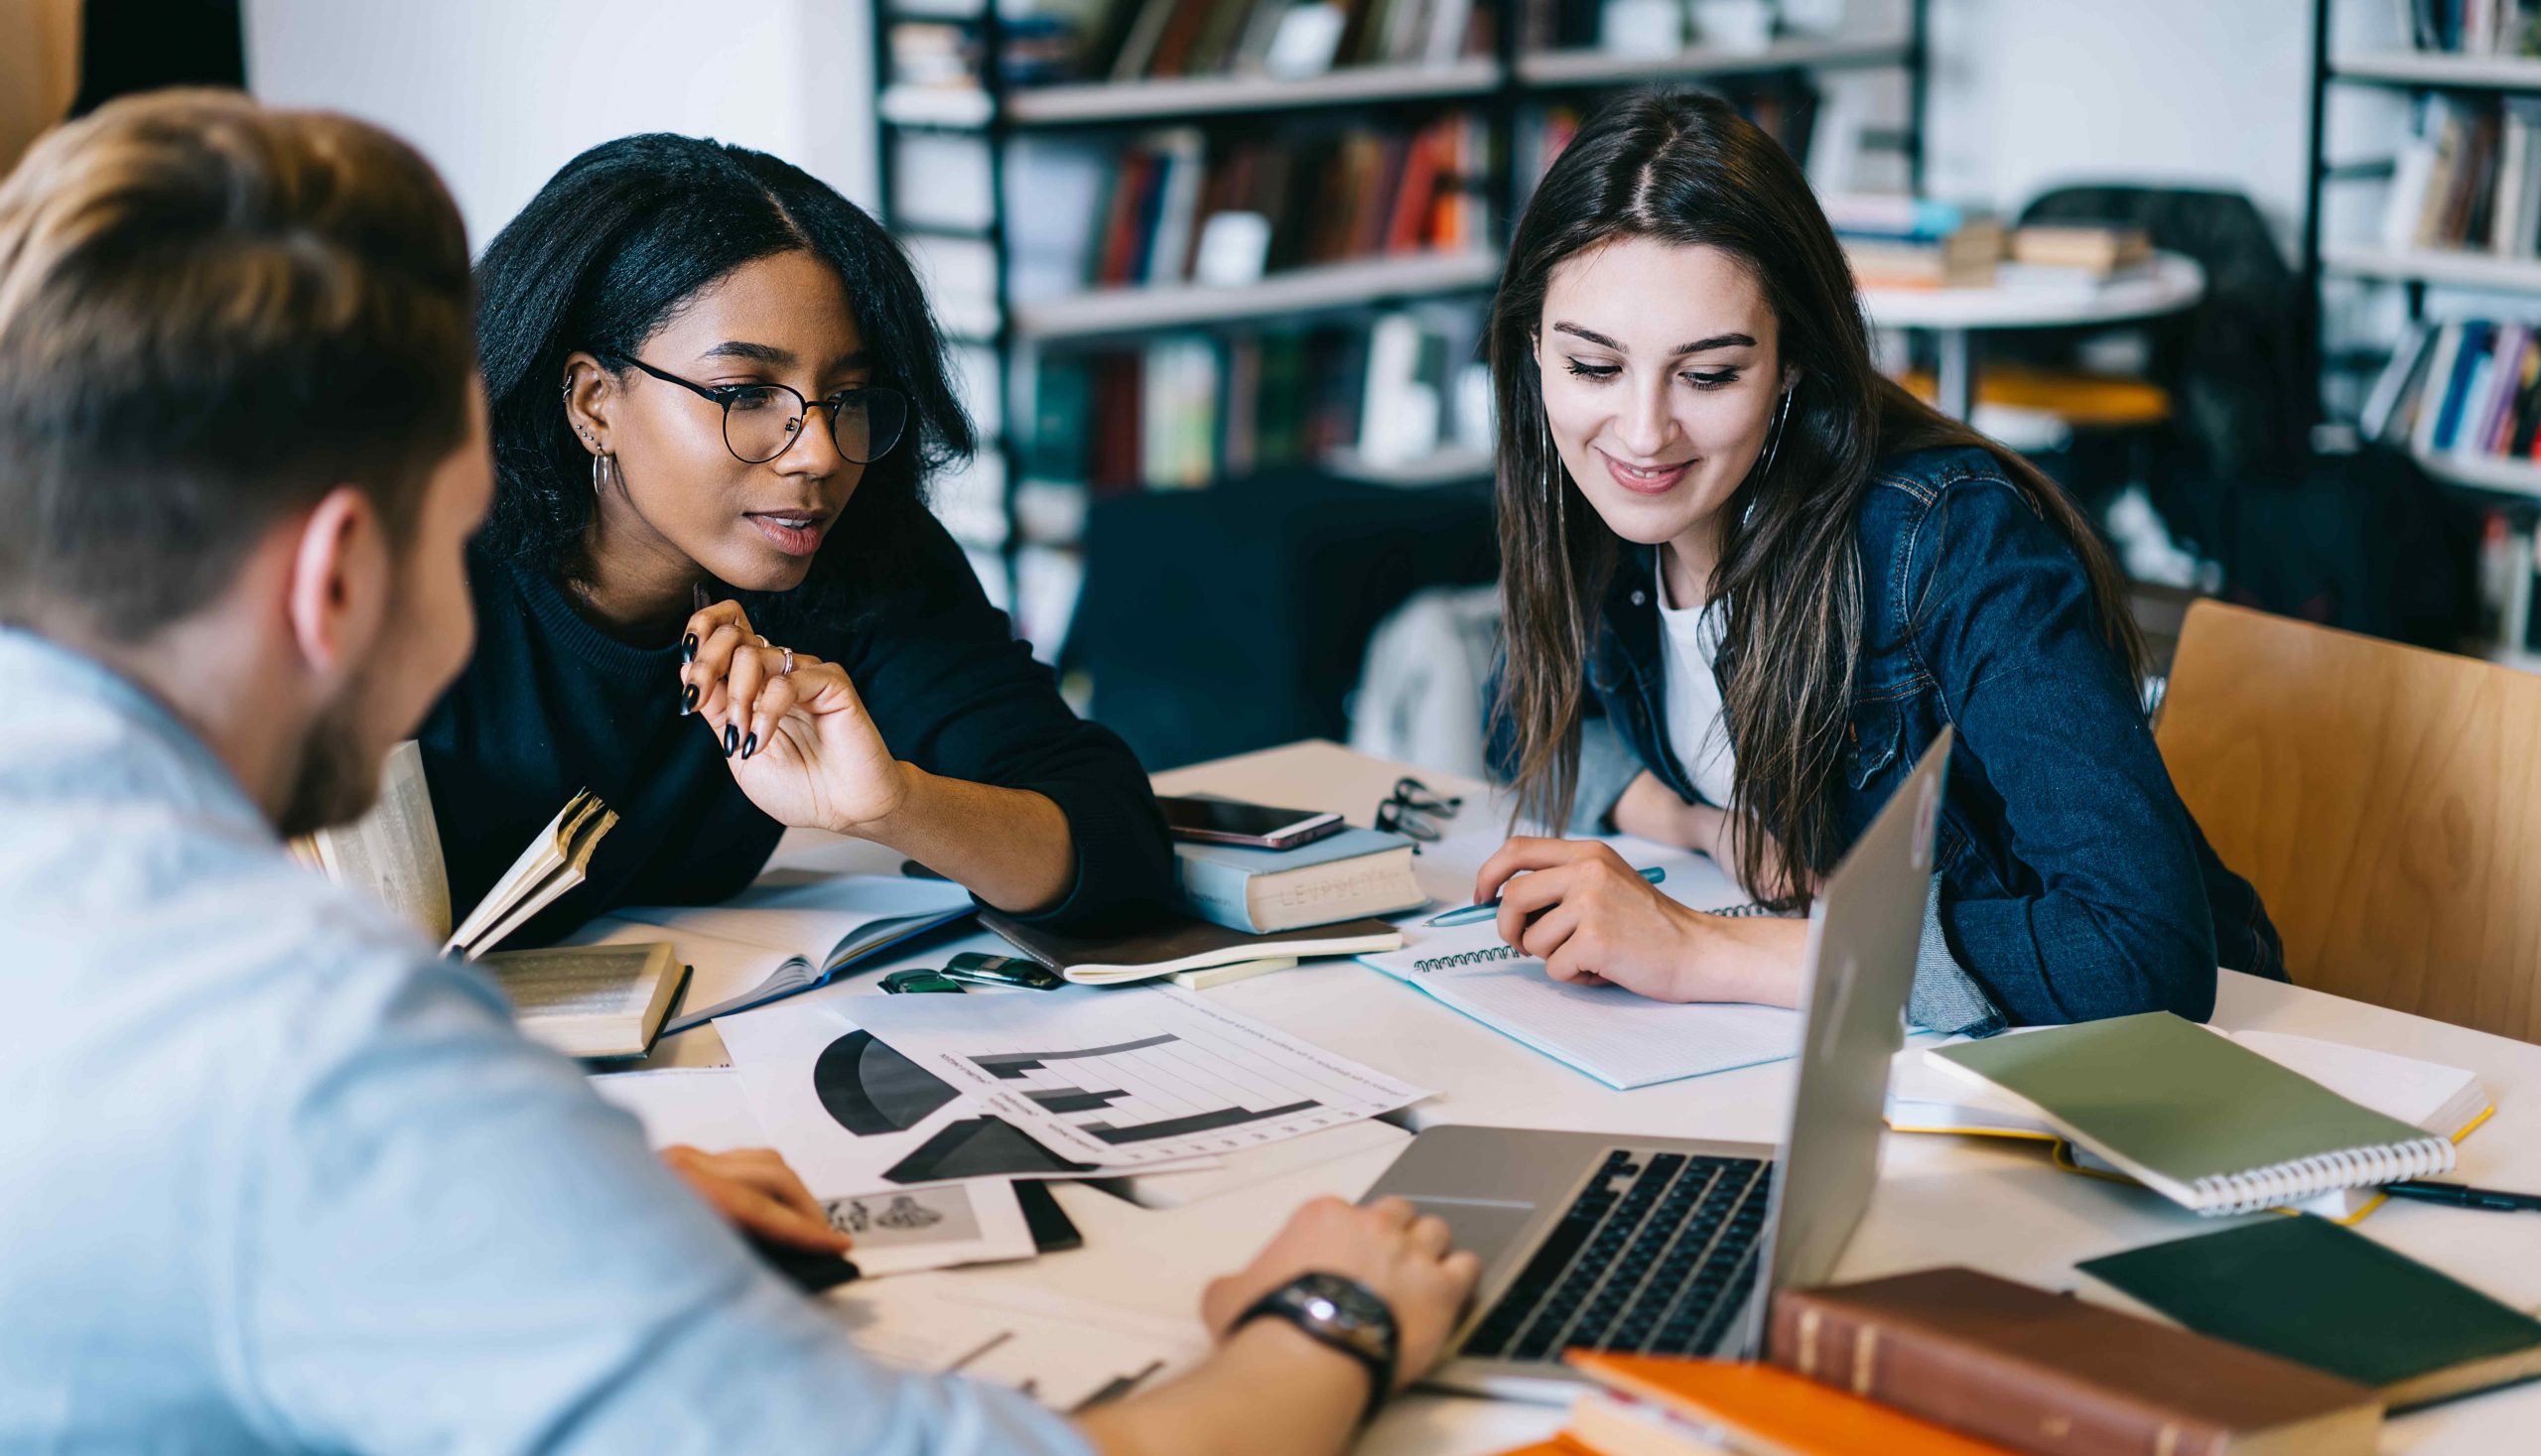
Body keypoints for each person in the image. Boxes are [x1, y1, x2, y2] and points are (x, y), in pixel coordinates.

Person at [0, 91, 1475, 1454]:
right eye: (451, 523)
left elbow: (1098, 821)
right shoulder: (326, 1048)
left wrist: (536, 1199)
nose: (813, 454)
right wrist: (1327, 1318)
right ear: (341, 577)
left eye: (842, 399)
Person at [1473, 90, 2283, 1034]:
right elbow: (1524, 709)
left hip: (2142, 1068)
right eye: (1594, 367)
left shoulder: (1951, 539)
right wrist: (1706, 827)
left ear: (1791, 367)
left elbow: (2141, 952)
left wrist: (1696, 947)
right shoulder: (1599, 507)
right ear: (1535, 350)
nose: (1644, 432)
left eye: (1708, 375)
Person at [420, 132, 1169, 945]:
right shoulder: (413, 571)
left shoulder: (860, 554)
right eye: (746, 392)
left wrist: (893, 804)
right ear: (594, 402)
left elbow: (1116, 847)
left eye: (847, 395)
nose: (817, 453)